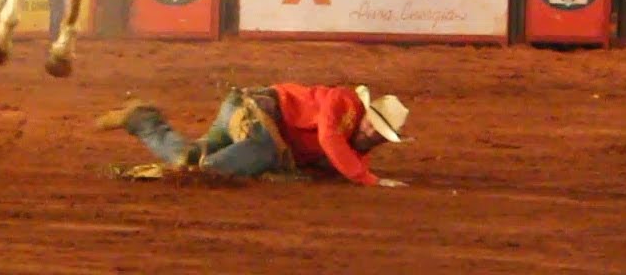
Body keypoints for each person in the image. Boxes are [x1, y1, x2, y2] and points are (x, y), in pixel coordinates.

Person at [97, 83, 410, 187]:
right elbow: (329, 139)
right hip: (255, 114)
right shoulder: (344, 102)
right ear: (367, 113)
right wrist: (372, 180)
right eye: (373, 124)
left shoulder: (354, 155)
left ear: (382, 141)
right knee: (256, 154)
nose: (370, 132)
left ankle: (144, 121)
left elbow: (332, 161)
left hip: (244, 112)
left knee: (190, 155)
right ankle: (163, 174)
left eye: (377, 134)